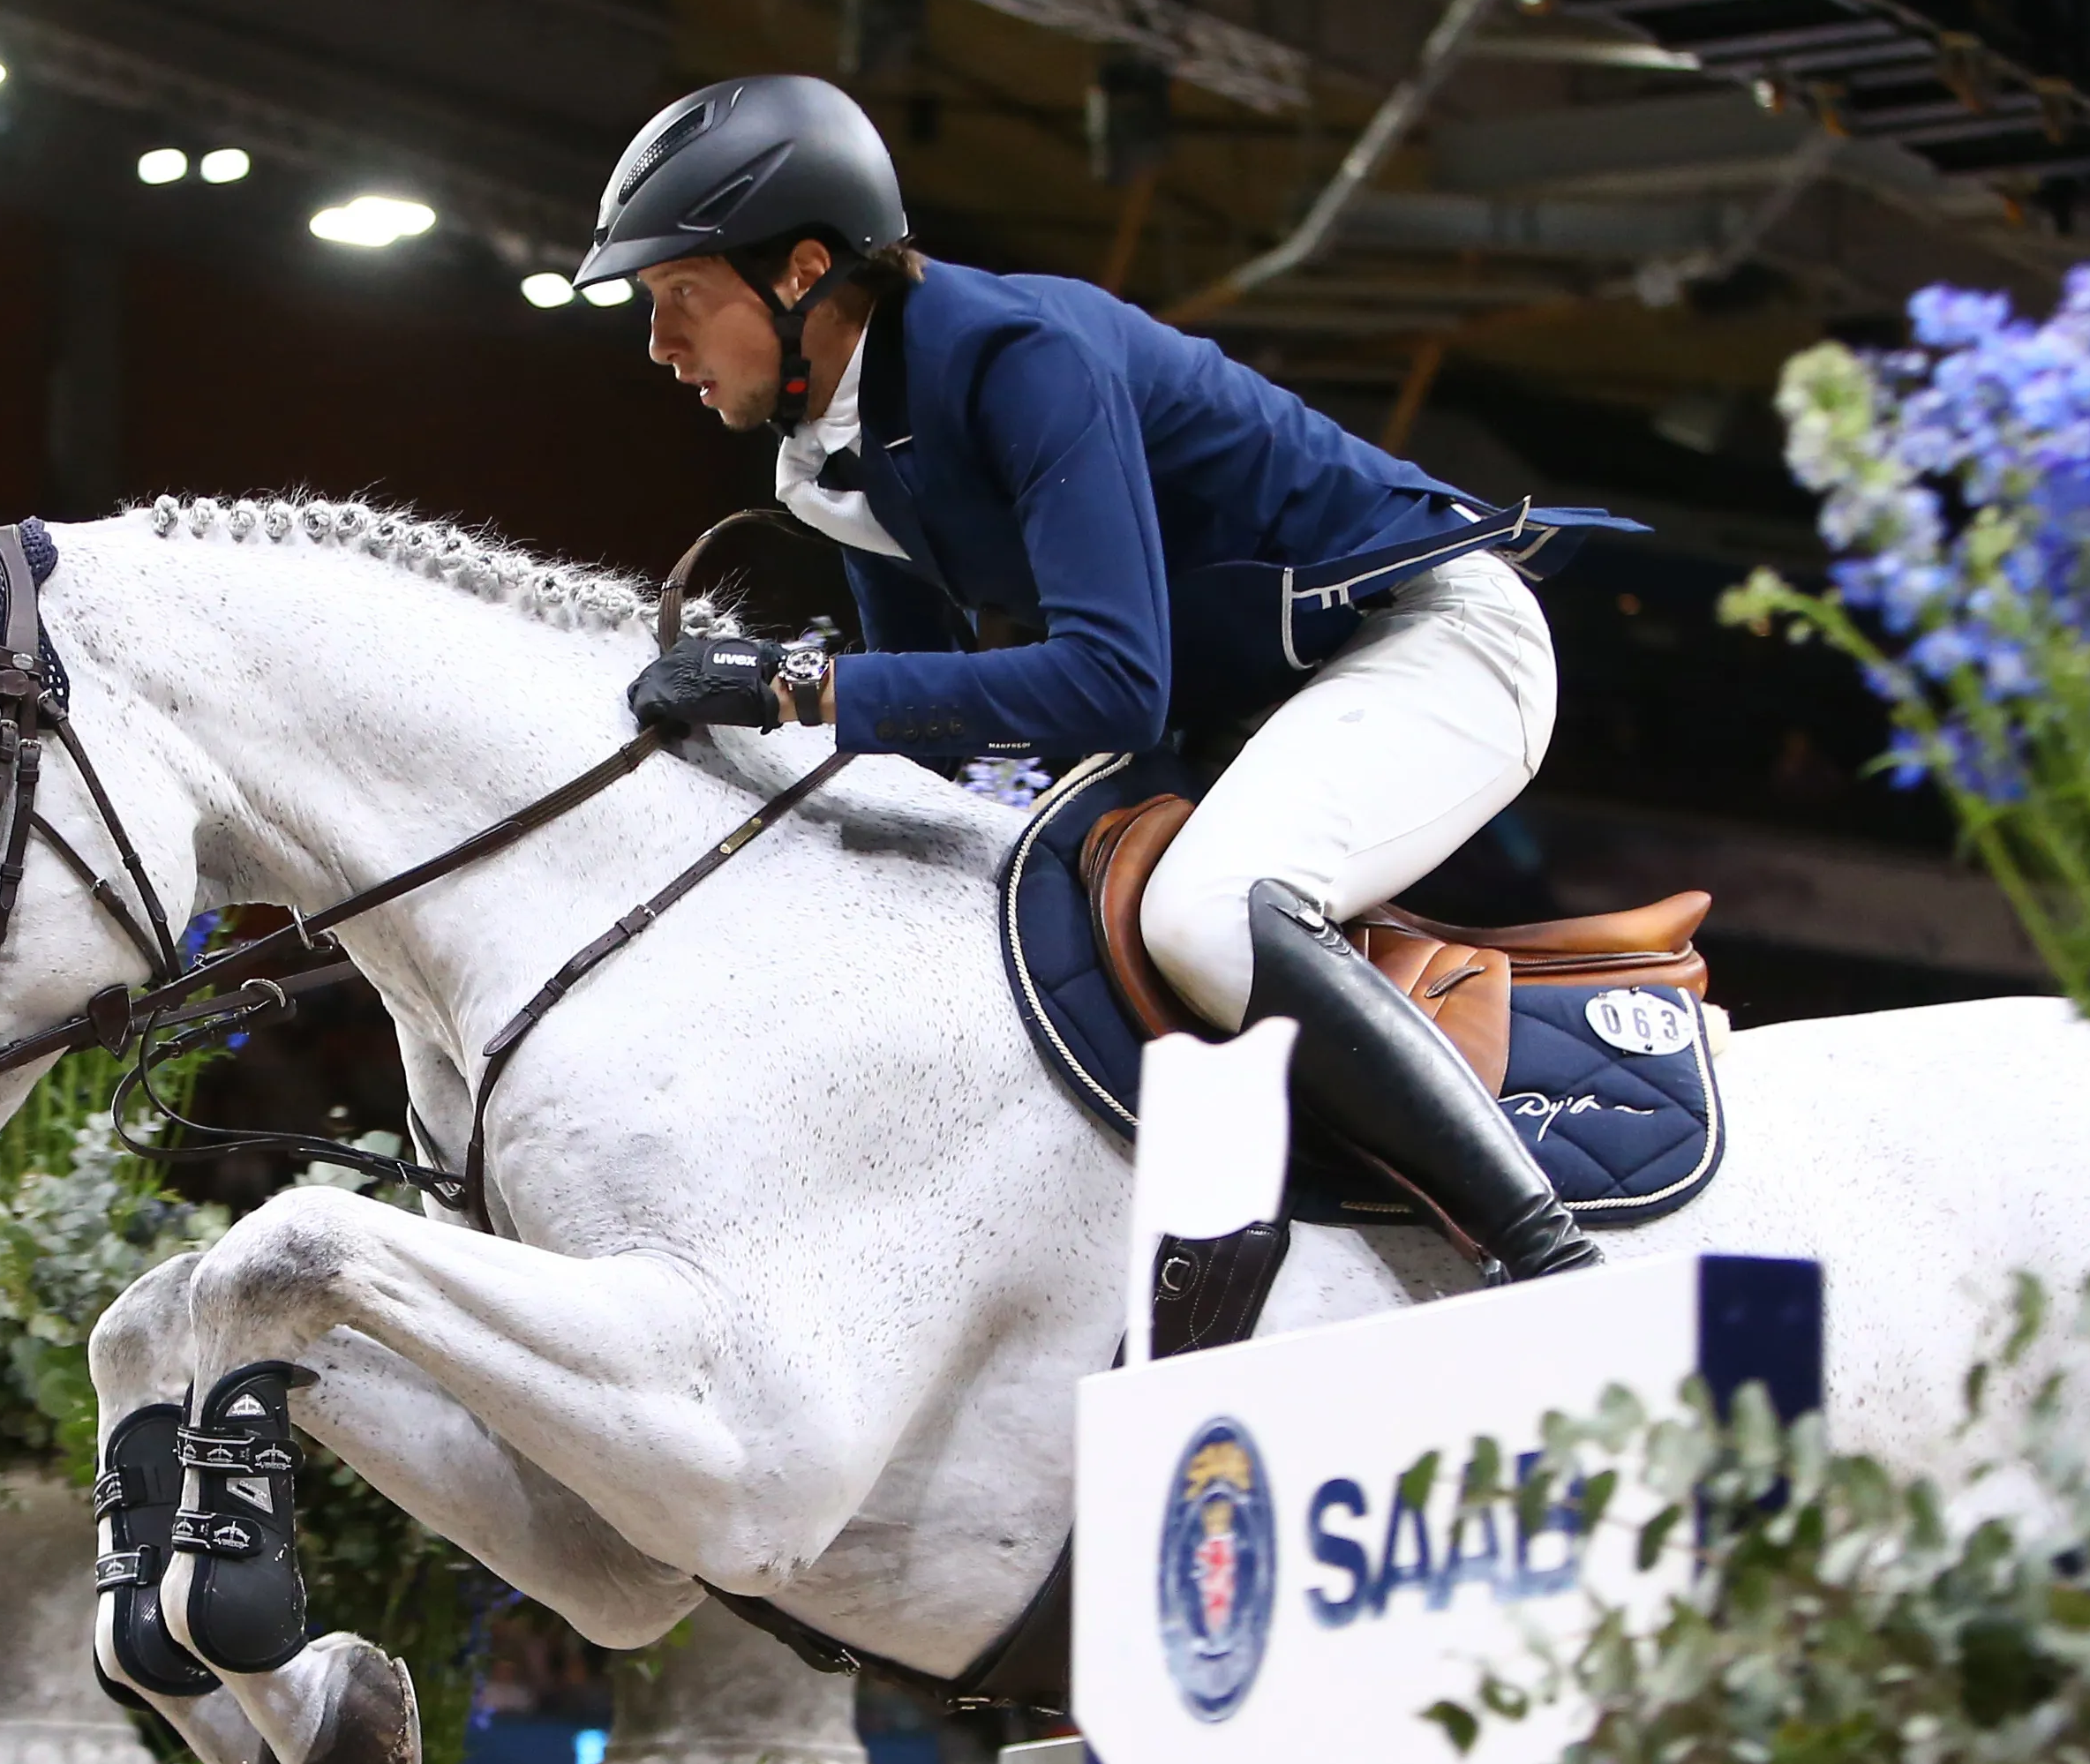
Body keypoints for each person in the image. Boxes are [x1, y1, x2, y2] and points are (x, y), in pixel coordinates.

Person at [594, 77, 1605, 1281]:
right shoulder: (823, 464)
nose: (659, 348)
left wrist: (796, 686)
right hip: (1249, 709)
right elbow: (929, 734)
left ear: (803, 269)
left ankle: (1548, 1263)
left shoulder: (1023, 355)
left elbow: (1110, 683)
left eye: (681, 300)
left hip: (1432, 642)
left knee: (1206, 911)